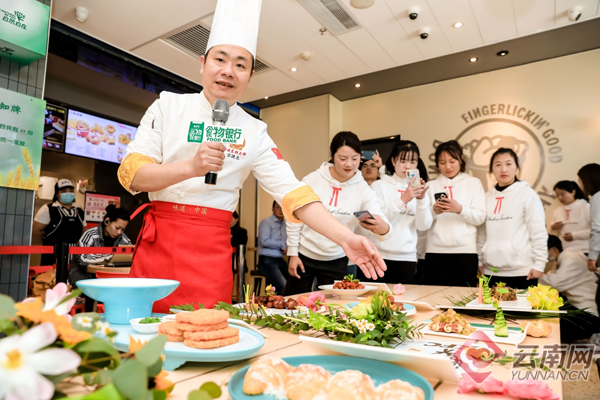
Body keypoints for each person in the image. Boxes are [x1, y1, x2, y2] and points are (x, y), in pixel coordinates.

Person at [117, 0, 386, 312]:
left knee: (209, 333)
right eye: (220, 59)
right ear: (203, 63)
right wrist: (191, 167)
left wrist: (344, 238)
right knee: (146, 329)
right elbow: (131, 174)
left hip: (212, 252)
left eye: (240, 65)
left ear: (250, 76)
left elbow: (294, 192)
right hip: (160, 243)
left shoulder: (254, 130)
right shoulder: (168, 106)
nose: (228, 71)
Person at [285, 131, 392, 295]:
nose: (349, 164)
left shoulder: (363, 189)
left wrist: (383, 227)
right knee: (295, 301)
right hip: (304, 255)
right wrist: (293, 253)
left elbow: (381, 220)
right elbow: (294, 217)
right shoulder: (313, 179)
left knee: (334, 306)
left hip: (337, 258)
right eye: (343, 159)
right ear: (333, 156)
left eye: (355, 159)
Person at [361, 140, 432, 284]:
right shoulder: (379, 186)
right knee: (377, 297)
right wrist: (403, 199)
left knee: (403, 297)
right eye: (403, 161)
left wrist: (421, 200)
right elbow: (377, 220)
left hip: (407, 257)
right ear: (393, 161)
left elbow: (423, 226)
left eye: (413, 161)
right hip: (378, 255)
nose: (408, 166)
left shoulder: (419, 189)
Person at [477, 148, 547, 288]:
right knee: (491, 303)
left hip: (522, 271)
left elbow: (538, 231)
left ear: (517, 167)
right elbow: (481, 233)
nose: (503, 169)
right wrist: (479, 261)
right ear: (491, 169)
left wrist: (539, 264)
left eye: (508, 164)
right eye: (498, 165)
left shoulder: (527, 194)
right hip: (490, 270)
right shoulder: (486, 197)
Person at [425, 140, 485, 287]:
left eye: (452, 161)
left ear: (461, 159)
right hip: (435, 251)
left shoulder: (473, 183)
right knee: (435, 296)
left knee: (464, 297)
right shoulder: (430, 186)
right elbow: (421, 222)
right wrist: (433, 211)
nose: (448, 166)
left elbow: (480, 218)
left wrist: (460, 209)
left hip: (466, 251)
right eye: (442, 162)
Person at [69, 205, 131, 311]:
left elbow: (130, 257)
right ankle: (91, 316)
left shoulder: (123, 239)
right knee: (96, 289)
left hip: (107, 279)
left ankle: (110, 315)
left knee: (121, 290)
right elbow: (82, 259)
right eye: (117, 228)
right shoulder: (90, 234)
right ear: (107, 221)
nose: (119, 232)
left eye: (123, 229)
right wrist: (109, 257)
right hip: (83, 277)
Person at [541, 235, 599, 342]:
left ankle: (592, 335)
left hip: (589, 314)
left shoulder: (571, 258)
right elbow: (552, 276)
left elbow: (556, 283)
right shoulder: (565, 257)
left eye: (542, 252)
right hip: (579, 307)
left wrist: (536, 275)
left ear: (554, 249)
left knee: (551, 329)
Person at [32, 179, 85, 266]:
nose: (68, 193)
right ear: (57, 194)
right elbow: (36, 230)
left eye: (71, 191)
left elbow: (83, 231)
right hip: (52, 257)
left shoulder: (79, 211)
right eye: (63, 191)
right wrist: (47, 244)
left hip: (74, 258)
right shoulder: (48, 209)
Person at [577, 163, 600, 344]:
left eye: (580, 181)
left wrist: (592, 256)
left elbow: (597, 229)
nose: (580, 185)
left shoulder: (597, 197)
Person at [550, 180, 590, 253]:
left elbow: (596, 230)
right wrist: (553, 228)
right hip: (564, 251)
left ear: (573, 192)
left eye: (562, 194)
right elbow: (554, 236)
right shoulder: (557, 211)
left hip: (585, 250)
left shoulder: (586, 207)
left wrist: (574, 235)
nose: (560, 198)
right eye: (557, 195)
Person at [257, 201, 288, 292]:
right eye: (278, 207)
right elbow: (264, 241)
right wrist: (282, 245)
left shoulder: (285, 224)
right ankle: (279, 301)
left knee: (295, 282)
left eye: (283, 208)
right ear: (272, 209)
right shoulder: (266, 222)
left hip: (280, 260)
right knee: (283, 284)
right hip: (267, 260)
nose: (281, 210)